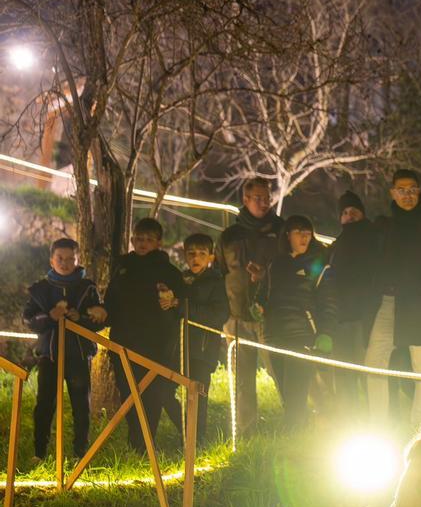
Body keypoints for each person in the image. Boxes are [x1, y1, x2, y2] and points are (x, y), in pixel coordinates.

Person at [365, 169, 421, 427]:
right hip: (388, 301)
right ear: (393, 193)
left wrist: (420, 289)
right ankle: (377, 424)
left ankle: (419, 427)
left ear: (419, 191)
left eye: (412, 189)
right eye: (401, 190)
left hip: (418, 304)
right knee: (374, 362)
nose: (407, 195)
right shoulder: (385, 224)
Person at [105, 218, 185, 452]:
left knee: (152, 395)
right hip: (123, 342)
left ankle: (148, 443)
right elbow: (112, 302)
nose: (143, 244)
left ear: (159, 243)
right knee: (128, 393)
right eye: (139, 239)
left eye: (149, 240)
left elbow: (181, 306)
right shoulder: (122, 268)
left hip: (157, 344)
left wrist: (174, 302)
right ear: (132, 240)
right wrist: (101, 312)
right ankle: (136, 444)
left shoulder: (169, 272)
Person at [23, 237, 106, 460]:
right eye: (60, 258)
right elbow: (29, 320)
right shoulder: (40, 290)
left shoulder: (87, 288)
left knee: (81, 405)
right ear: (52, 260)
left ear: (78, 260)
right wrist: (50, 316)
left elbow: (98, 320)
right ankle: (40, 452)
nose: (65, 263)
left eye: (71, 259)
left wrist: (82, 318)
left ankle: (81, 453)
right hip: (49, 356)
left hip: (78, 356)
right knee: (45, 405)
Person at [217, 177, 286, 435]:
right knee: (242, 380)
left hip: (271, 315)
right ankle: (246, 433)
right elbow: (220, 270)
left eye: (267, 197)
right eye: (258, 198)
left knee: (279, 370)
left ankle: (296, 422)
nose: (264, 202)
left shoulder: (280, 230)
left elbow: (288, 266)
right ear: (245, 200)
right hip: (236, 316)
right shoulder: (229, 235)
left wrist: (265, 275)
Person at [254, 215, 334, 430]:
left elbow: (327, 302)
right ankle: (300, 432)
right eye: (299, 232)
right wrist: (258, 306)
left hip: (302, 335)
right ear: (288, 235)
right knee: (285, 392)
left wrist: (325, 333)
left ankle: (294, 439)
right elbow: (263, 294)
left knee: (296, 393)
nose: (304, 237)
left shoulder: (318, 264)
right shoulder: (275, 263)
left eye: (308, 233)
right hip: (274, 334)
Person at [323, 190, 379, 412]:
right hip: (340, 317)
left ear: (362, 214)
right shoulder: (337, 245)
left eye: (354, 211)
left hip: (363, 316)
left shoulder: (372, 238)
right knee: (343, 370)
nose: (349, 216)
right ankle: (348, 417)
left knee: (364, 369)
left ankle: (369, 416)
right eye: (345, 212)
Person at [180, 233, 228, 443]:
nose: (196, 258)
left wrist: (184, 307)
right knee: (175, 391)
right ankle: (183, 432)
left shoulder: (216, 282)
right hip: (180, 346)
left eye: (201, 254)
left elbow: (218, 314)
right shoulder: (181, 280)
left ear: (211, 257)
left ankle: (196, 439)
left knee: (198, 395)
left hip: (203, 348)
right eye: (191, 254)